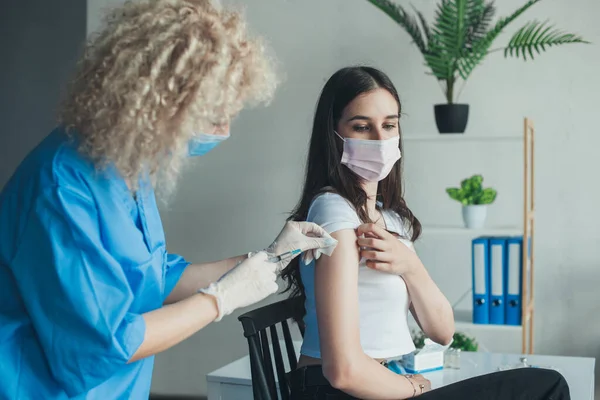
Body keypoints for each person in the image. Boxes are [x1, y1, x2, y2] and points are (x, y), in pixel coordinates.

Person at [0, 1, 337, 399]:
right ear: (154, 103)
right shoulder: (60, 190)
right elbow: (108, 342)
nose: (223, 130)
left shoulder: (125, 165)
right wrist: (220, 300)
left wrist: (271, 256)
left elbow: (151, 276)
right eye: (212, 115)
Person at [281, 66, 571, 399]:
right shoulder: (334, 210)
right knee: (546, 385)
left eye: (389, 125)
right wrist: (410, 387)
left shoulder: (392, 219)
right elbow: (343, 371)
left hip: (387, 380)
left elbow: (443, 331)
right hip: (345, 392)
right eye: (362, 127)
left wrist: (410, 265)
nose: (380, 138)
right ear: (333, 134)